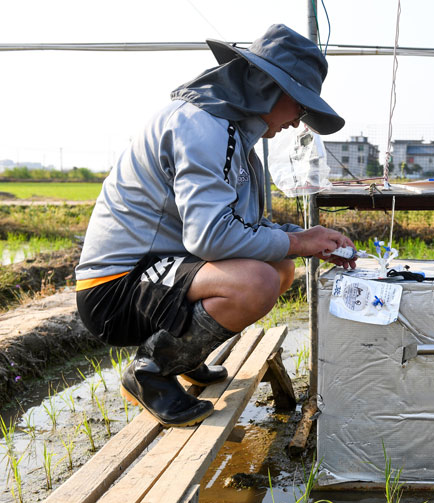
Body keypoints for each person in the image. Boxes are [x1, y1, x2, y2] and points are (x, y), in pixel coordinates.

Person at [75, 24, 355, 428]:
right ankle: (150, 372)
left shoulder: (230, 133)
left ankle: (184, 353)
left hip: (158, 270)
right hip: (115, 288)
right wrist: (296, 240)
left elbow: (240, 226)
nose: (298, 121)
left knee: (279, 267)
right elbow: (211, 237)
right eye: (299, 106)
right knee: (256, 281)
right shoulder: (203, 127)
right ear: (270, 89)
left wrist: (303, 239)